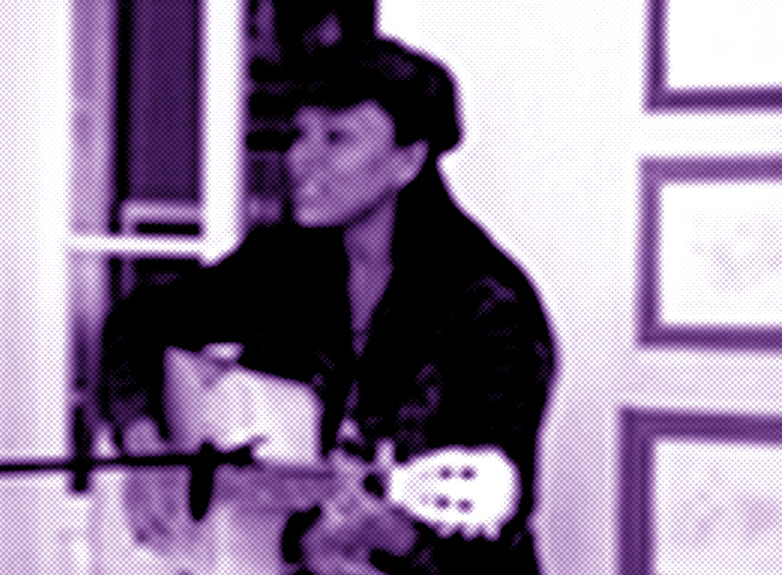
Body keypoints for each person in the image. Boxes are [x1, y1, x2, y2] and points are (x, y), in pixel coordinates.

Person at [100, 37, 558, 575]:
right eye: (300, 134)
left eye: (337, 138)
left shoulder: (492, 311)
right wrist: (148, 449)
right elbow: (136, 322)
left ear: (408, 160)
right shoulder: (286, 260)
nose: (300, 159)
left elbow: (487, 543)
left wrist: (388, 535)